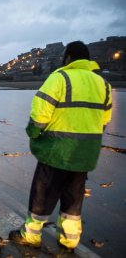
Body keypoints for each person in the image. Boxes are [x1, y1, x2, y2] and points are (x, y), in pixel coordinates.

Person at [8, 41, 113, 251]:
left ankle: (31, 236)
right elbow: (104, 119)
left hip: (56, 151)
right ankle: (69, 241)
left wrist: (33, 134)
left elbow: (40, 114)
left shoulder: (59, 78)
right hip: (84, 155)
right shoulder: (103, 84)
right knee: (73, 198)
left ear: (68, 58)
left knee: (43, 193)